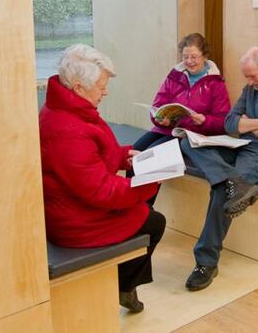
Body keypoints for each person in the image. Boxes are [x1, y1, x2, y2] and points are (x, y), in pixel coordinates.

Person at [39, 44, 164, 314]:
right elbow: (103, 191)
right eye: (100, 85)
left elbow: (93, 156)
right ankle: (123, 286)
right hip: (76, 222)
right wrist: (151, 179)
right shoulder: (68, 130)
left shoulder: (66, 109)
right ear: (78, 86)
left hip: (75, 207)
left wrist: (124, 156)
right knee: (154, 222)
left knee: (145, 212)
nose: (105, 91)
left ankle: (125, 284)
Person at [179, 47, 258, 291]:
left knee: (222, 190)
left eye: (252, 75)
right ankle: (235, 181)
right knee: (188, 142)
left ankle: (206, 263)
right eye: (246, 76)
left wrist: (246, 125)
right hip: (240, 145)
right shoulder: (250, 90)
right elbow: (230, 123)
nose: (248, 82)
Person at [133, 33, 231, 152]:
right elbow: (157, 106)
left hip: (190, 135)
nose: (189, 61)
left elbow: (223, 121)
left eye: (194, 57)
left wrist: (204, 120)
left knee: (149, 155)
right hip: (165, 129)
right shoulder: (174, 77)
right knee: (133, 153)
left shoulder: (215, 83)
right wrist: (159, 119)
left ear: (204, 56)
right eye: (185, 57)